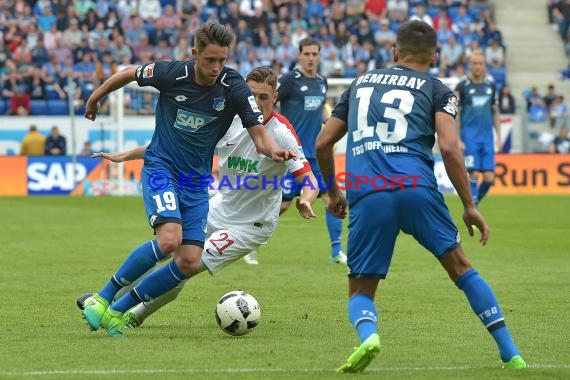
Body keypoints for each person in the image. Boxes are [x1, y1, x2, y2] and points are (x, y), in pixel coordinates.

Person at [315, 21, 526, 373]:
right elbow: (449, 148)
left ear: (394, 53)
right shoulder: (439, 90)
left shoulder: (359, 83)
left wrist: (334, 192)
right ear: (436, 56)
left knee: (361, 290)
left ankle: (368, 335)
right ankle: (510, 352)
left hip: (368, 190)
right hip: (417, 188)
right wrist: (469, 205)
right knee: (461, 269)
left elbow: (323, 144)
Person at [81, 23, 296, 338]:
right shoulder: (171, 74)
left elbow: (260, 135)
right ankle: (101, 298)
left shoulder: (234, 87)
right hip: (163, 167)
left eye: (222, 60)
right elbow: (128, 73)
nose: (216, 68)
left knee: (189, 262)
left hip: (196, 183)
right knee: (169, 240)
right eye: (210, 60)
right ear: (195, 54)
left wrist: (274, 151)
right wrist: (95, 99)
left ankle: (115, 312)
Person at [276, 37, 346, 265]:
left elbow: (320, 113)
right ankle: (245, 236)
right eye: (306, 54)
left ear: (319, 55)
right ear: (299, 56)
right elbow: (268, 102)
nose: (310, 58)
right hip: (291, 156)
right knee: (282, 205)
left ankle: (336, 252)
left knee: (331, 199)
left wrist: (337, 122)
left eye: (314, 54)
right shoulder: (289, 81)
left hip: (316, 158)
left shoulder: (321, 82)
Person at [455, 50, 501, 206]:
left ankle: (473, 206)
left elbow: (495, 112)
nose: (477, 67)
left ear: (484, 65)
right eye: (474, 63)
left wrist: (499, 136)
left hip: (487, 138)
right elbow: (457, 114)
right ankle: (472, 209)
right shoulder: (462, 87)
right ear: (470, 65)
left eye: (480, 63)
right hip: (469, 137)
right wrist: (458, 138)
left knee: (489, 178)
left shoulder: (491, 86)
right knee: (473, 173)